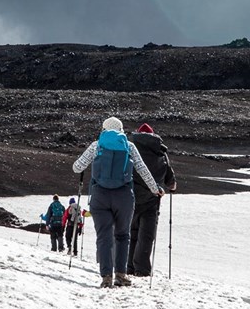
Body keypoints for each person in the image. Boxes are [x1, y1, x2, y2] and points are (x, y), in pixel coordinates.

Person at [72, 117, 163, 288]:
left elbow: (77, 167)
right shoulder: (129, 146)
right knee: (122, 235)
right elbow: (142, 169)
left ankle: (106, 276)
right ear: (121, 129)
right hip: (123, 196)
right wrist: (155, 189)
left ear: (104, 129)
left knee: (104, 236)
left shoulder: (96, 145)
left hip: (100, 196)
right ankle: (121, 275)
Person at [128, 123, 177, 276]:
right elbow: (171, 182)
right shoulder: (160, 151)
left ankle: (128, 267)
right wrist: (170, 186)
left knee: (131, 233)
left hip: (131, 198)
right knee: (146, 236)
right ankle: (142, 270)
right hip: (152, 200)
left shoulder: (129, 149)